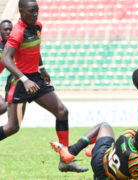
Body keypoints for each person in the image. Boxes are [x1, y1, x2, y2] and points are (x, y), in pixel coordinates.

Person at [0, 0, 87, 172]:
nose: (35, 14)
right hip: (20, 83)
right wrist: (25, 80)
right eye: (31, 11)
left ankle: (65, 160)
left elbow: (36, 49)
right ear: (21, 11)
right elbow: (6, 59)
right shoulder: (17, 32)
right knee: (12, 127)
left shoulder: (37, 26)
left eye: (37, 11)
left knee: (62, 111)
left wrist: (42, 69)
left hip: (36, 79)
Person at [50, 122, 138, 179]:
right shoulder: (137, 160)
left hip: (101, 156)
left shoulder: (128, 133)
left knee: (104, 126)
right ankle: (94, 147)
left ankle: (72, 151)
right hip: (104, 176)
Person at [0, 20, 13, 115]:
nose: (8, 31)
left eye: (10, 29)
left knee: (3, 106)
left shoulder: (14, 46)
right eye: (5, 29)